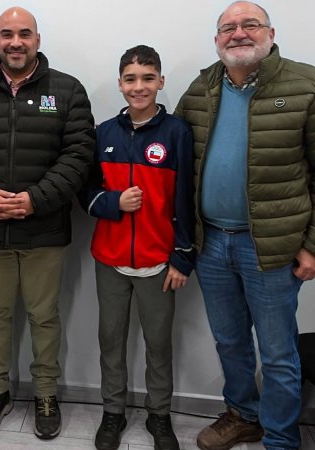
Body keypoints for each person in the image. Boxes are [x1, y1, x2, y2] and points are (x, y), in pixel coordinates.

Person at [0, 6, 95, 440]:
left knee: (44, 317)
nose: (15, 42)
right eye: (7, 34)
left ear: (37, 40)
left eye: (24, 34)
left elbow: (79, 154)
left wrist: (34, 200)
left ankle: (46, 394)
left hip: (44, 230)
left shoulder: (67, 90)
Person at [175, 2, 315, 449]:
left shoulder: (305, 85)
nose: (238, 33)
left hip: (271, 248)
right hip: (212, 244)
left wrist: (312, 245)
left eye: (250, 24)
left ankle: (281, 438)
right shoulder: (201, 88)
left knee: (278, 353)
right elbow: (176, 160)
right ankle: (243, 415)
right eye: (228, 27)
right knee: (230, 342)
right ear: (217, 39)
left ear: (270, 33)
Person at [81, 45, 194, 450]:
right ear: (120, 84)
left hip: (159, 262)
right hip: (110, 261)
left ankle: (159, 415)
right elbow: (85, 193)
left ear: (161, 81)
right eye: (130, 79)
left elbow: (186, 199)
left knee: (158, 344)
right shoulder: (104, 134)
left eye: (148, 78)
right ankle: (113, 411)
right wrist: (114, 202)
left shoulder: (177, 133)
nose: (139, 86)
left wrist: (182, 256)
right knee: (110, 341)